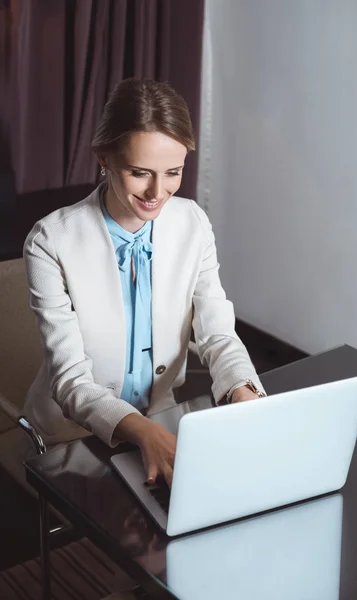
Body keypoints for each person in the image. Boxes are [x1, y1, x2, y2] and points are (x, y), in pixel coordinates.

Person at [23, 78, 266, 487]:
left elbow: (217, 335)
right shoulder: (51, 241)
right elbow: (70, 381)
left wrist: (243, 390)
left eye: (173, 172)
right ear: (104, 158)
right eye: (139, 173)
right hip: (73, 441)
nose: (158, 192)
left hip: (163, 420)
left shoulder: (193, 224)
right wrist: (141, 431)